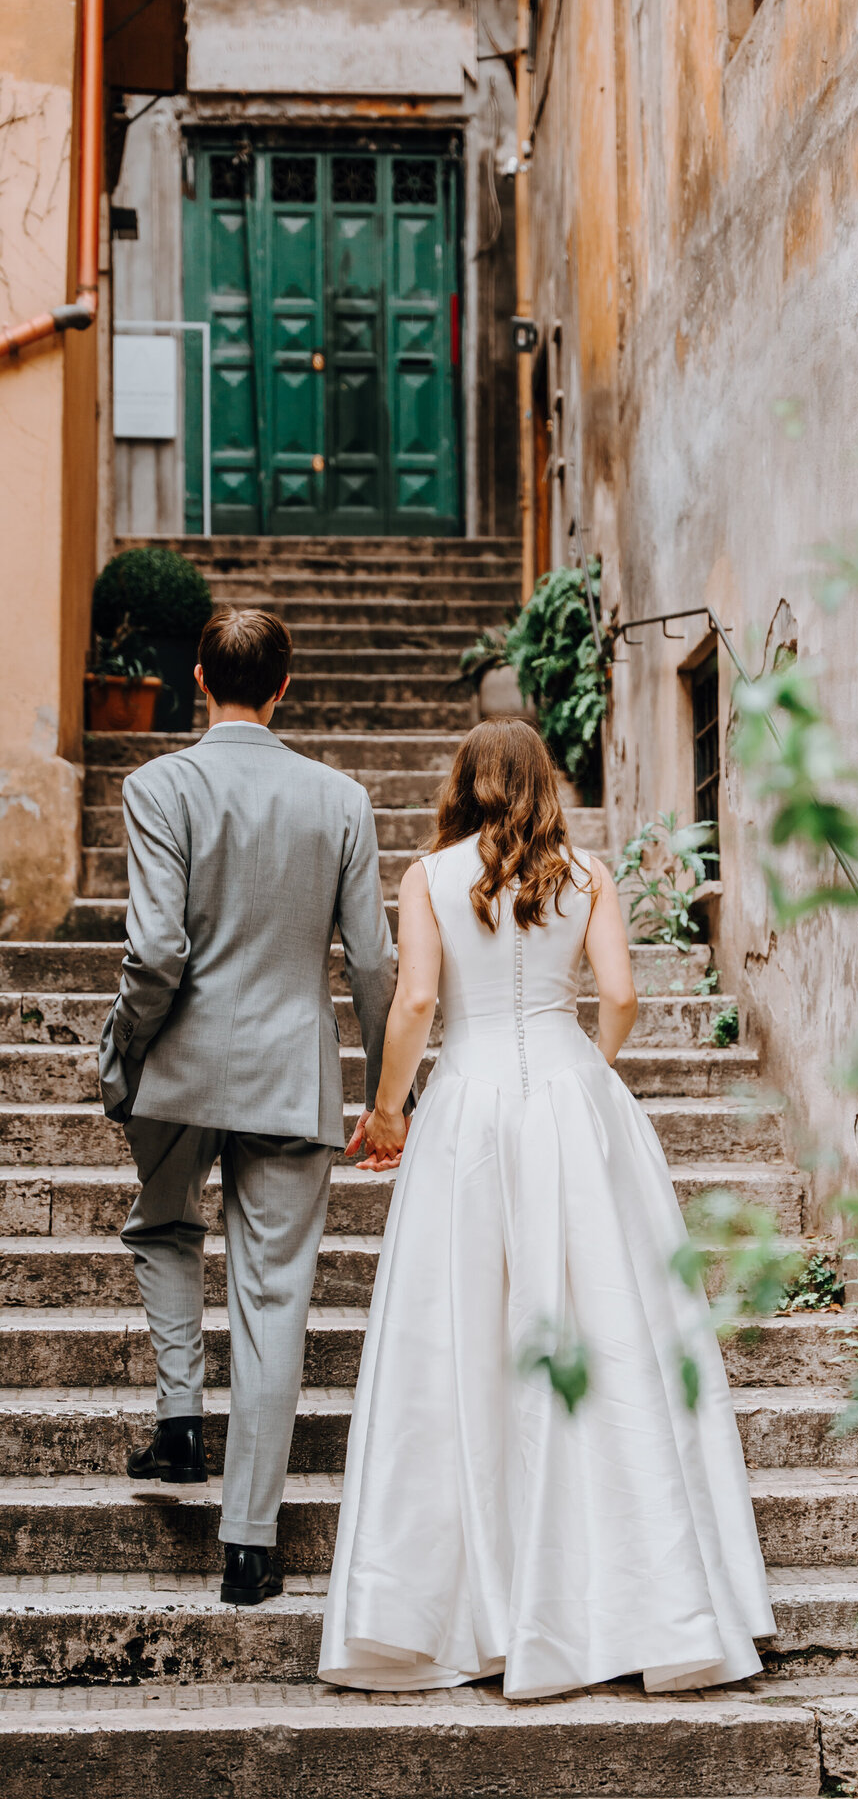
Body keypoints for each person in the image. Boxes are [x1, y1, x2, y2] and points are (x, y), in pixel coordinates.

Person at [319, 718, 773, 1698]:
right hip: (571, 1098)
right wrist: (585, 1073)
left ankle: (456, 1606)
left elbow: (413, 1005)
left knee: (461, 1338)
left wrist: (389, 1109)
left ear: (463, 784)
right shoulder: (589, 874)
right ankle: (634, 1596)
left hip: (468, 1105)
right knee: (609, 1326)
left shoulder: (429, 876)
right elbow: (618, 996)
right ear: (543, 782)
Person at [99, 607, 396, 1607]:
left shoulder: (157, 787)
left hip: (180, 1069)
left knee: (164, 1228)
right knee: (274, 1302)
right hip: (290, 1079)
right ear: (284, 686)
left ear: (196, 678)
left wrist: (125, 1050)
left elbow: (155, 953)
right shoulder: (341, 799)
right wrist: (386, 1084)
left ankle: (181, 1420)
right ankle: (250, 1547)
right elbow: (374, 959)